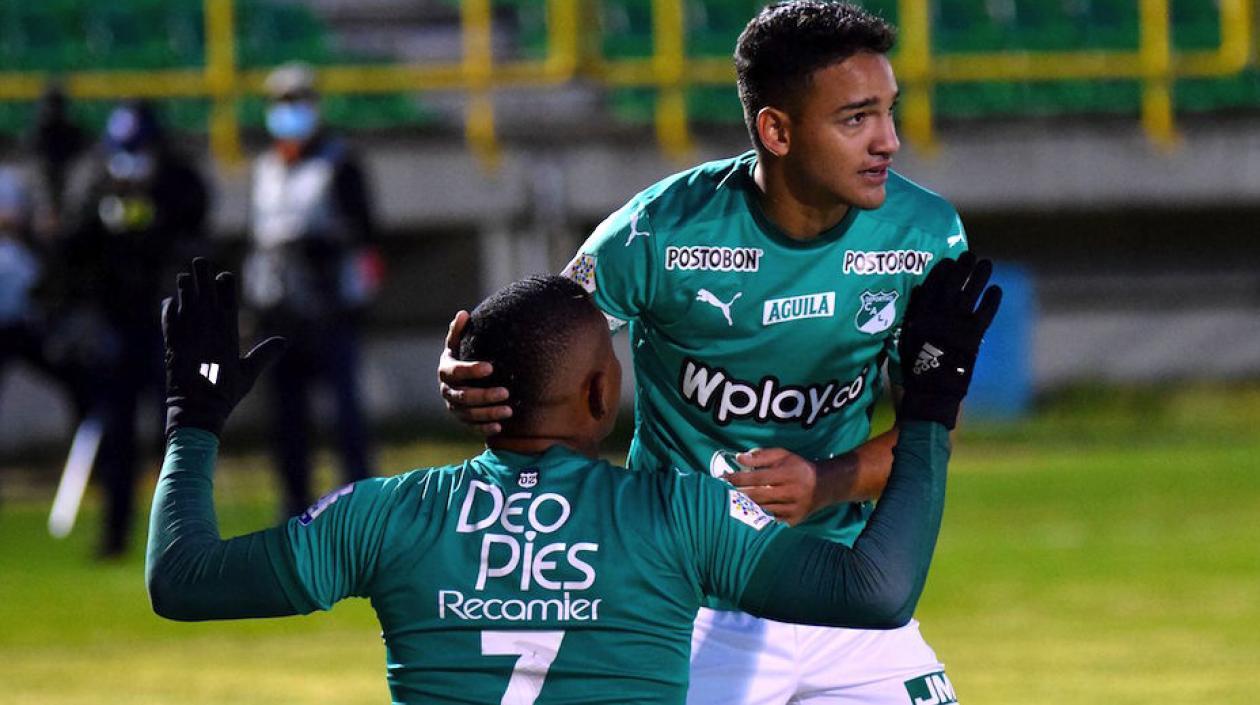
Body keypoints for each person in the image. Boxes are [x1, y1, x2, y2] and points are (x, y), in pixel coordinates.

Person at [147, 258, 999, 704]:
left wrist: (194, 420)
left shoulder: (384, 513)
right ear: (600, 393)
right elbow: (878, 589)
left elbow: (180, 582)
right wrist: (926, 410)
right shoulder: (680, 514)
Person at [440, 2, 976, 702]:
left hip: (841, 584)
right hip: (688, 596)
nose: (889, 141)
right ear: (776, 130)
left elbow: (931, 429)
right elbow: (536, 343)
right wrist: (467, 370)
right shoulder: (657, 233)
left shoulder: (924, 234)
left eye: (889, 110)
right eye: (856, 119)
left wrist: (825, 481)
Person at [64, 100, 209, 557]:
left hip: (167, 326)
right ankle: (116, 532)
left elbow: (195, 245)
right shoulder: (97, 185)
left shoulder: (178, 184)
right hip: (117, 328)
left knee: (179, 435)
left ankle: (183, 534)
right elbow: (74, 249)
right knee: (118, 434)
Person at [243, 61, 382, 518]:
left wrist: (324, 250)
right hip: (279, 309)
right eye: (281, 102)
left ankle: (360, 510)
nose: (290, 111)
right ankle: (294, 509)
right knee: (286, 421)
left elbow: (365, 232)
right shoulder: (266, 166)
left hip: (329, 305)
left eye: (297, 101)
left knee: (345, 417)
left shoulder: (340, 163)